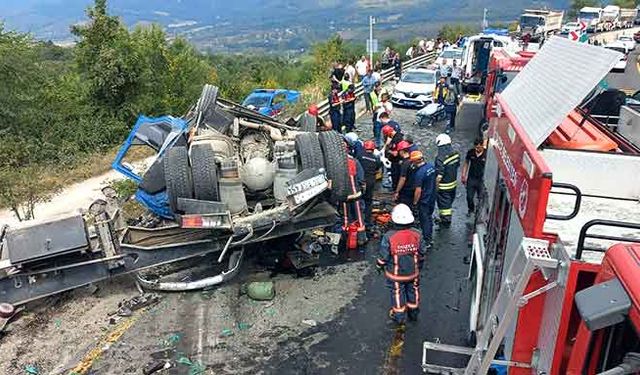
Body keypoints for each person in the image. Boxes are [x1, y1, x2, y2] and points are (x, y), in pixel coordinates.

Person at [376, 204, 426, 325]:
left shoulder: (389, 236)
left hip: (396, 276)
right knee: (413, 290)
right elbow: (422, 253)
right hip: (413, 273)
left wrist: (379, 265)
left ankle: (399, 316)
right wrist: (419, 266)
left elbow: (384, 256)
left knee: (397, 293)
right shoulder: (417, 234)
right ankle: (413, 312)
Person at [434, 134, 460, 227]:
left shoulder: (440, 158)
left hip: (443, 186)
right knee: (449, 202)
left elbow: (439, 176)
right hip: (453, 184)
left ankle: (445, 221)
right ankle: (446, 218)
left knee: (444, 206)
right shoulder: (456, 153)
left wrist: (435, 188)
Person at [411, 151, 436, 246]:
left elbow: (418, 190)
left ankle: (427, 241)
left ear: (415, 161)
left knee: (424, 219)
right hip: (432, 197)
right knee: (429, 217)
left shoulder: (419, 173)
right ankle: (429, 236)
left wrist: (415, 202)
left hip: (424, 199)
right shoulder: (431, 167)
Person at [359, 140, 382, 226]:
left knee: (358, 200)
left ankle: (358, 219)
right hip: (370, 181)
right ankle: (368, 221)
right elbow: (378, 169)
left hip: (361, 181)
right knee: (368, 201)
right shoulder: (376, 159)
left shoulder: (359, 156)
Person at [461, 138, 487, 216]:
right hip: (471, 178)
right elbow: (466, 163)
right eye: (476, 147)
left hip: (481, 180)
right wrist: (463, 175)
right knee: (469, 196)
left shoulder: (486, 154)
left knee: (480, 197)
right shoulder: (471, 152)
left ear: (482, 146)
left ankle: (478, 212)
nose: (477, 149)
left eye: (479, 147)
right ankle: (471, 209)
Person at [383, 124, 405, 190]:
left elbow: (395, 153)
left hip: (397, 161)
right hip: (395, 160)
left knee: (395, 175)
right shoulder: (397, 135)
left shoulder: (397, 139)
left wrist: (388, 150)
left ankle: (395, 188)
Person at [393, 141, 415, 207]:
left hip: (406, 190)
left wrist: (397, 191)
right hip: (413, 187)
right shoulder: (413, 160)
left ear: (402, 151)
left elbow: (403, 178)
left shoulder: (405, 164)